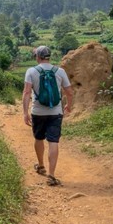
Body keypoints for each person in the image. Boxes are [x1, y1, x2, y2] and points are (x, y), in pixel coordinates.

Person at [22, 45, 74, 186]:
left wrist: (25, 113)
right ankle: (51, 175)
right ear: (49, 57)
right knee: (53, 141)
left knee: (39, 138)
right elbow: (69, 92)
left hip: (38, 112)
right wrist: (68, 105)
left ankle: (41, 166)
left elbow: (27, 93)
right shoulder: (60, 71)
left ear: (38, 57)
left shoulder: (31, 71)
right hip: (56, 113)